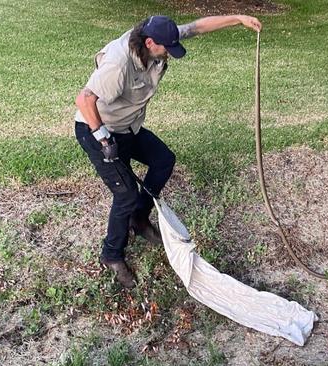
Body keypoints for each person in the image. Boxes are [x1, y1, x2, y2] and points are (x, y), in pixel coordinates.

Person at [74, 15, 262, 288]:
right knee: (124, 193)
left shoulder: (159, 37)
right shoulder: (118, 63)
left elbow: (197, 27)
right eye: (166, 50)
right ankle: (111, 255)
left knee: (163, 160)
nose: (169, 55)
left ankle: (139, 219)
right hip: (97, 129)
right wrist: (104, 139)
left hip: (127, 127)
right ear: (150, 42)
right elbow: (85, 99)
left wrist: (237, 19)